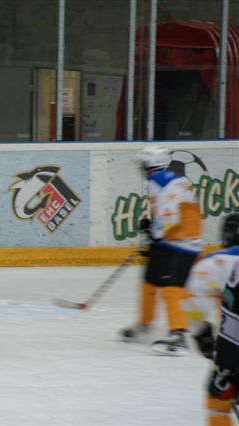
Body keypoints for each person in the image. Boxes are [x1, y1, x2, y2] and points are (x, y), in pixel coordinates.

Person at [120, 145, 202, 355]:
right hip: (170, 240)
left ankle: (178, 336)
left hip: (183, 244)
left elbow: (170, 216)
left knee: (172, 289)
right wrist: (154, 229)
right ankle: (144, 324)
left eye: (143, 163)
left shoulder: (158, 181)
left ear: (150, 163)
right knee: (149, 280)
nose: (141, 167)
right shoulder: (172, 178)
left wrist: (154, 231)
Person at [182, 213, 239, 426]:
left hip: (232, 346)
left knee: (217, 401)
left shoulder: (214, 262)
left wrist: (201, 333)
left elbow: (194, 302)